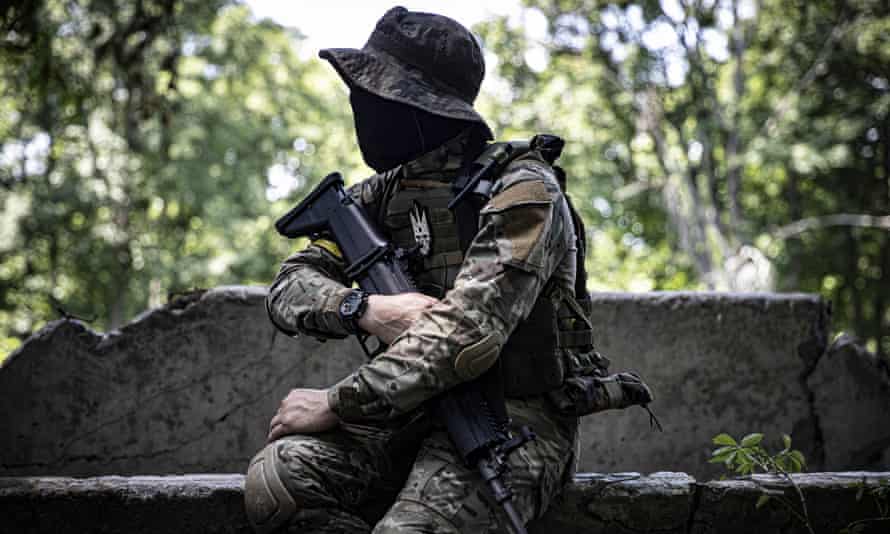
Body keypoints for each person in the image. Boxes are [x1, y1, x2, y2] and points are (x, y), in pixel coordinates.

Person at [244, 7, 652, 533]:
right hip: (408, 412)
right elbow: (290, 285)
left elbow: (469, 334)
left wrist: (339, 402)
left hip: (510, 422)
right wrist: (364, 308)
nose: (362, 105)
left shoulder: (523, 191)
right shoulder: (381, 195)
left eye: (375, 93)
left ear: (414, 102)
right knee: (278, 483)